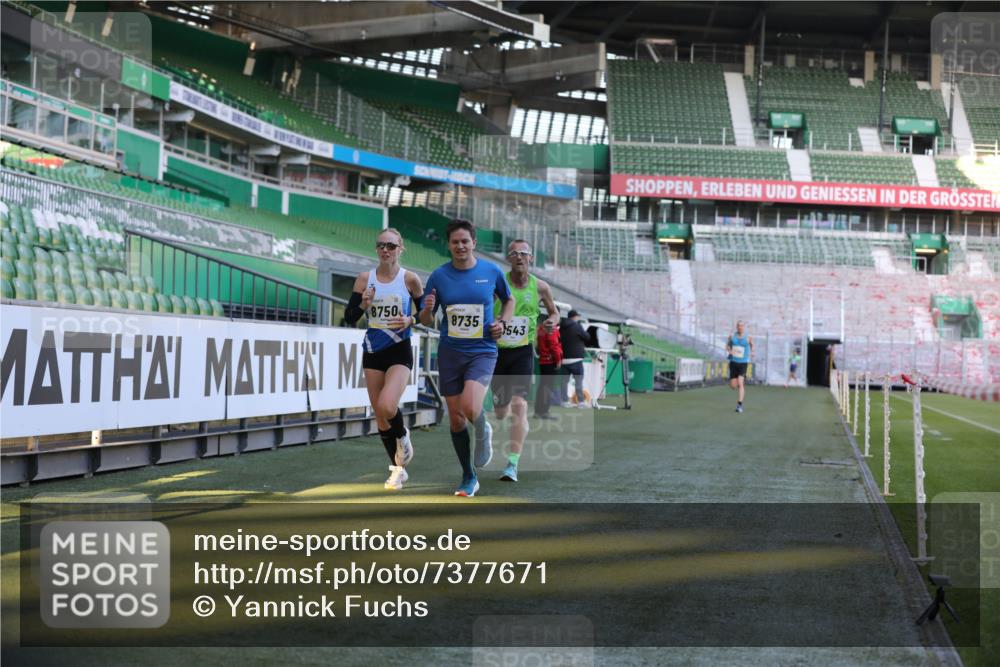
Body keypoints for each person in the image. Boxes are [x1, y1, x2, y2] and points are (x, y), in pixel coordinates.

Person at [419, 219, 514, 497]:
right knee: (456, 419)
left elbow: (508, 301)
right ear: (448, 245)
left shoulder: (490, 271)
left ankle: (484, 430)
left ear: (473, 243)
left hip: (482, 350)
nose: (460, 246)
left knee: (472, 406)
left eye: (465, 241)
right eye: (455, 242)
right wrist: (425, 309)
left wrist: (503, 323)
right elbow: (427, 319)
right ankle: (469, 476)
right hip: (450, 352)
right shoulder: (439, 276)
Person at [344, 228, 424, 490]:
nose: (385, 250)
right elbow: (349, 317)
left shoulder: (410, 279)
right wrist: (364, 305)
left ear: (400, 248)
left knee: (388, 405)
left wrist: (411, 318)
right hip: (373, 350)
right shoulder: (364, 279)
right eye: (381, 245)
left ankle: (402, 436)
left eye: (391, 246)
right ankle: (397, 470)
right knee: (379, 414)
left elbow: (426, 316)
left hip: (399, 348)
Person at [491, 240, 559, 483]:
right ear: (508, 258)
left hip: (522, 352)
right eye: (514, 253)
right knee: (500, 413)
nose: (519, 257)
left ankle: (512, 463)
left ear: (531, 258)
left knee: (520, 406)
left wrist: (552, 320)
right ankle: (501, 410)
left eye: (523, 253)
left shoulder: (540, 287)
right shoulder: (498, 283)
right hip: (497, 353)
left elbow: (554, 311)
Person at [559, 309, 591, 408]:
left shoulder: (561, 327)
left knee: (564, 382)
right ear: (575, 317)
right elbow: (587, 337)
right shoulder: (577, 326)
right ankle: (581, 402)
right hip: (576, 359)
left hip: (564, 359)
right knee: (578, 382)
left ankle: (564, 401)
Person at [534, 315, 563, 420]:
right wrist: (558, 360)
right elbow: (554, 345)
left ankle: (538, 411)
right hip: (550, 361)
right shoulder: (552, 328)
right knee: (547, 387)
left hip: (543, 360)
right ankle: (544, 411)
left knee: (542, 386)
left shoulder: (542, 328)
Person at [726, 320, 754, 413]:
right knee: (733, 386)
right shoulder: (732, 336)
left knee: (741, 383)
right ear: (736, 327)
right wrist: (729, 350)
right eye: (738, 326)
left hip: (743, 363)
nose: (740, 327)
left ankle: (739, 405)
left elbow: (752, 345)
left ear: (744, 327)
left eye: (741, 326)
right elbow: (727, 346)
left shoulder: (748, 337)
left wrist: (753, 352)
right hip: (733, 362)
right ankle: (738, 383)